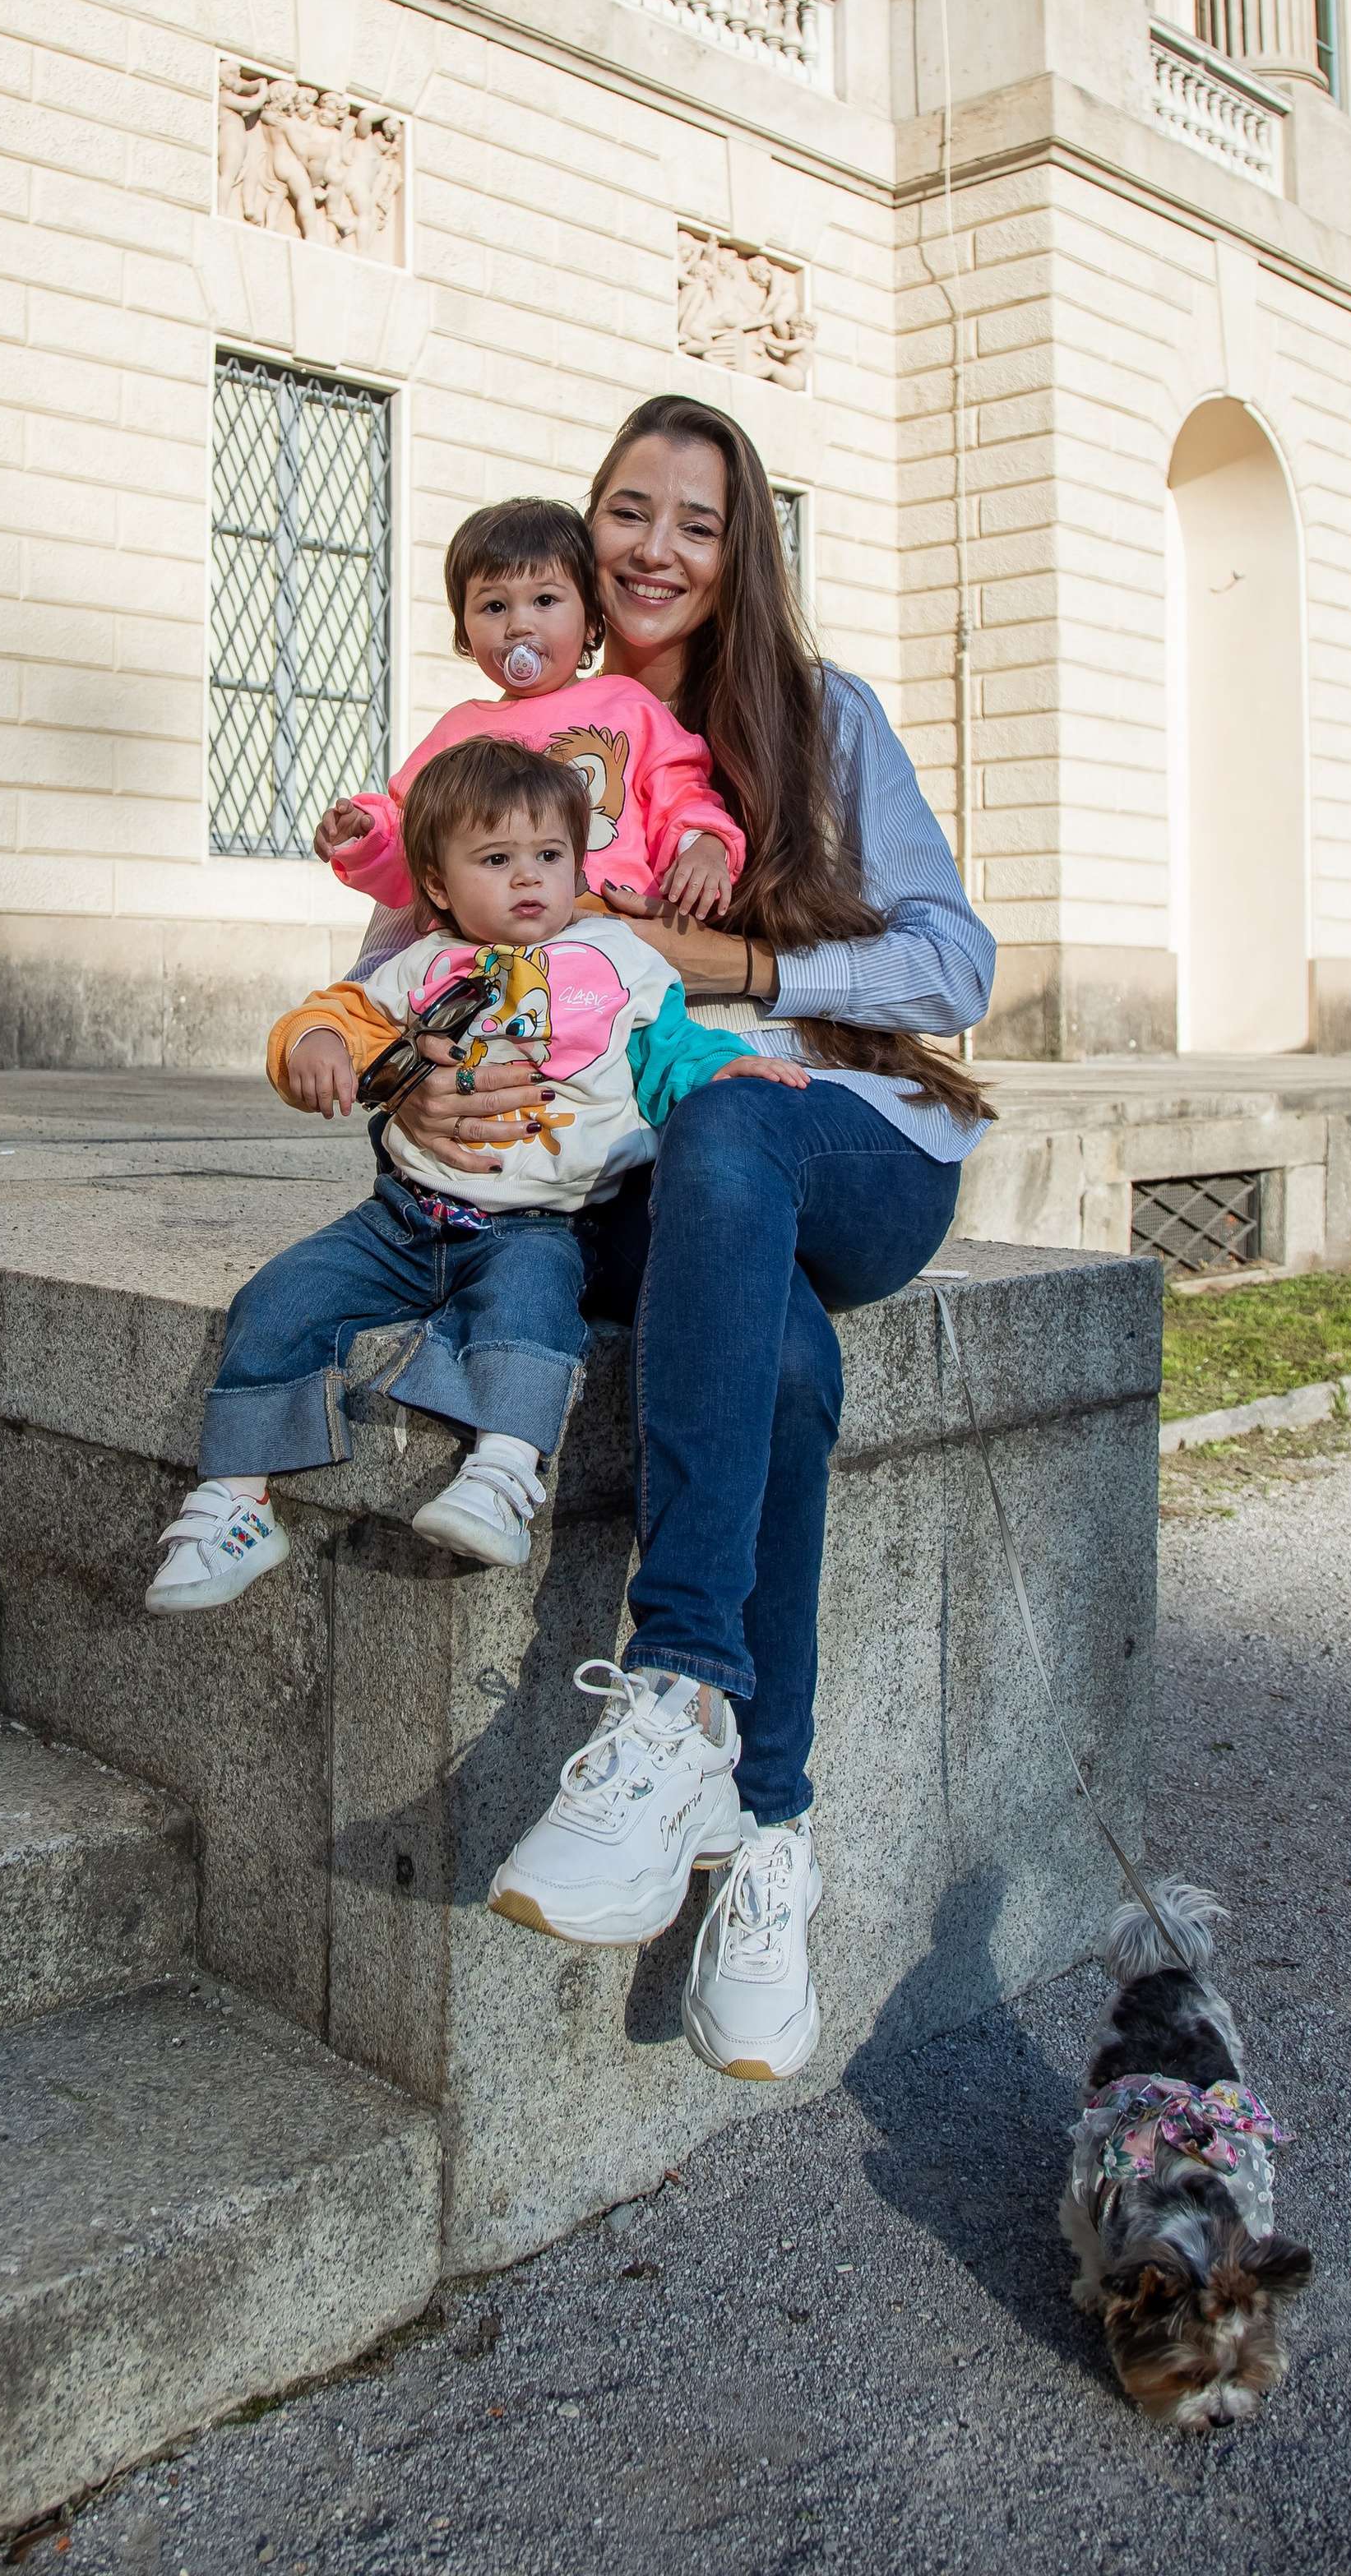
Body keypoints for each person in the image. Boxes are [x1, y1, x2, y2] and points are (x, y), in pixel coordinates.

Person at [359, 395, 997, 2085]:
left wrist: (750, 973)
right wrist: (409, 1096)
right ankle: (761, 1827)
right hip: (629, 1189)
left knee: (730, 1131)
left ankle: (672, 1687)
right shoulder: (495, 754)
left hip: (839, 1137)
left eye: (693, 523)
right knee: (772, 1360)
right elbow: (386, 979)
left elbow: (954, 963)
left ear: (741, 551)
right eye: (624, 512)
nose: (649, 550)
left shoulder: (808, 718)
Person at [146, 737, 808, 1612]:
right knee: (279, 1297)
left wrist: (726, 1071)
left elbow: (671, 1051)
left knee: (530, 1315)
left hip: (542, 1224)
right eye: (495, 860)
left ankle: (500, 1474)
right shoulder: (420, 966)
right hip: (403, 1215)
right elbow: (335, 1017)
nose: (529, 878)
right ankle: (237, 1500)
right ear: (435, 884)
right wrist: (313, 1048)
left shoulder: (618, 960)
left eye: (549, 856)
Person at [315, 496, 742, 923]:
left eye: (544, 601)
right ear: (465, 633)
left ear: (593, 620)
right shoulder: (459, 733)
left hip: (608, 939)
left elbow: (683, 796)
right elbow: (415, 843)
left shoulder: (632, 709)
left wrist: (705, 848)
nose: (519, 625)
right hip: (486, 956)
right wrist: (367, 834)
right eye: (494, 607)